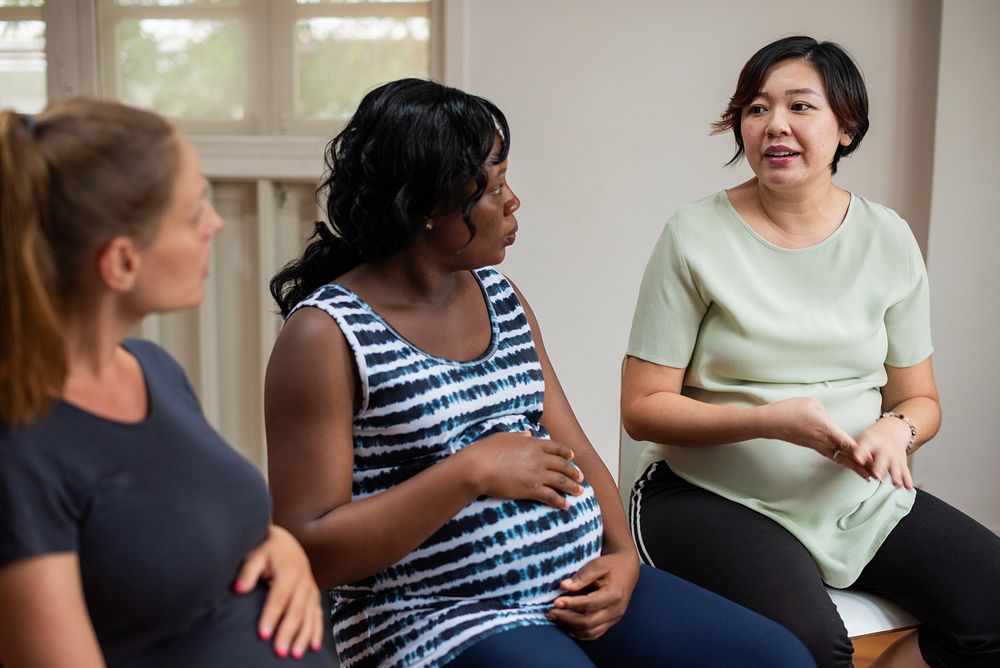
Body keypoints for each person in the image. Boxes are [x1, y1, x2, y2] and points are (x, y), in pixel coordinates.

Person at [264, 78, 813, 668]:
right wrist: (469, 472)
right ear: (425, 207)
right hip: (435, 616)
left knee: (779, 659)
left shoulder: (500, 296)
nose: (513, 202)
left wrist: (624, 557)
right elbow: (308, 547)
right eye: (494, 186)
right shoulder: (325, 335)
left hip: (571, 585)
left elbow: (571, 444)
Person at [622, 35, 1000, 668]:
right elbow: (643, 408)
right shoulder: (693, 235)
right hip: (706, 494)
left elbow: (920, 399)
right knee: (813, 649)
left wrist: (895, 430)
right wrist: (771, 420)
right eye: (756, 108)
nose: (775, 126)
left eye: (801, 107)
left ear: (845, 129)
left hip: (852, 494)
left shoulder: (889, 238)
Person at [0, 99, 331, 667]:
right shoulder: (18, 448)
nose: (215, 222)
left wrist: (280, 549)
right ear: (122, 263)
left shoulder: (154, 370)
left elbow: (179, 523)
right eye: (192, 210)